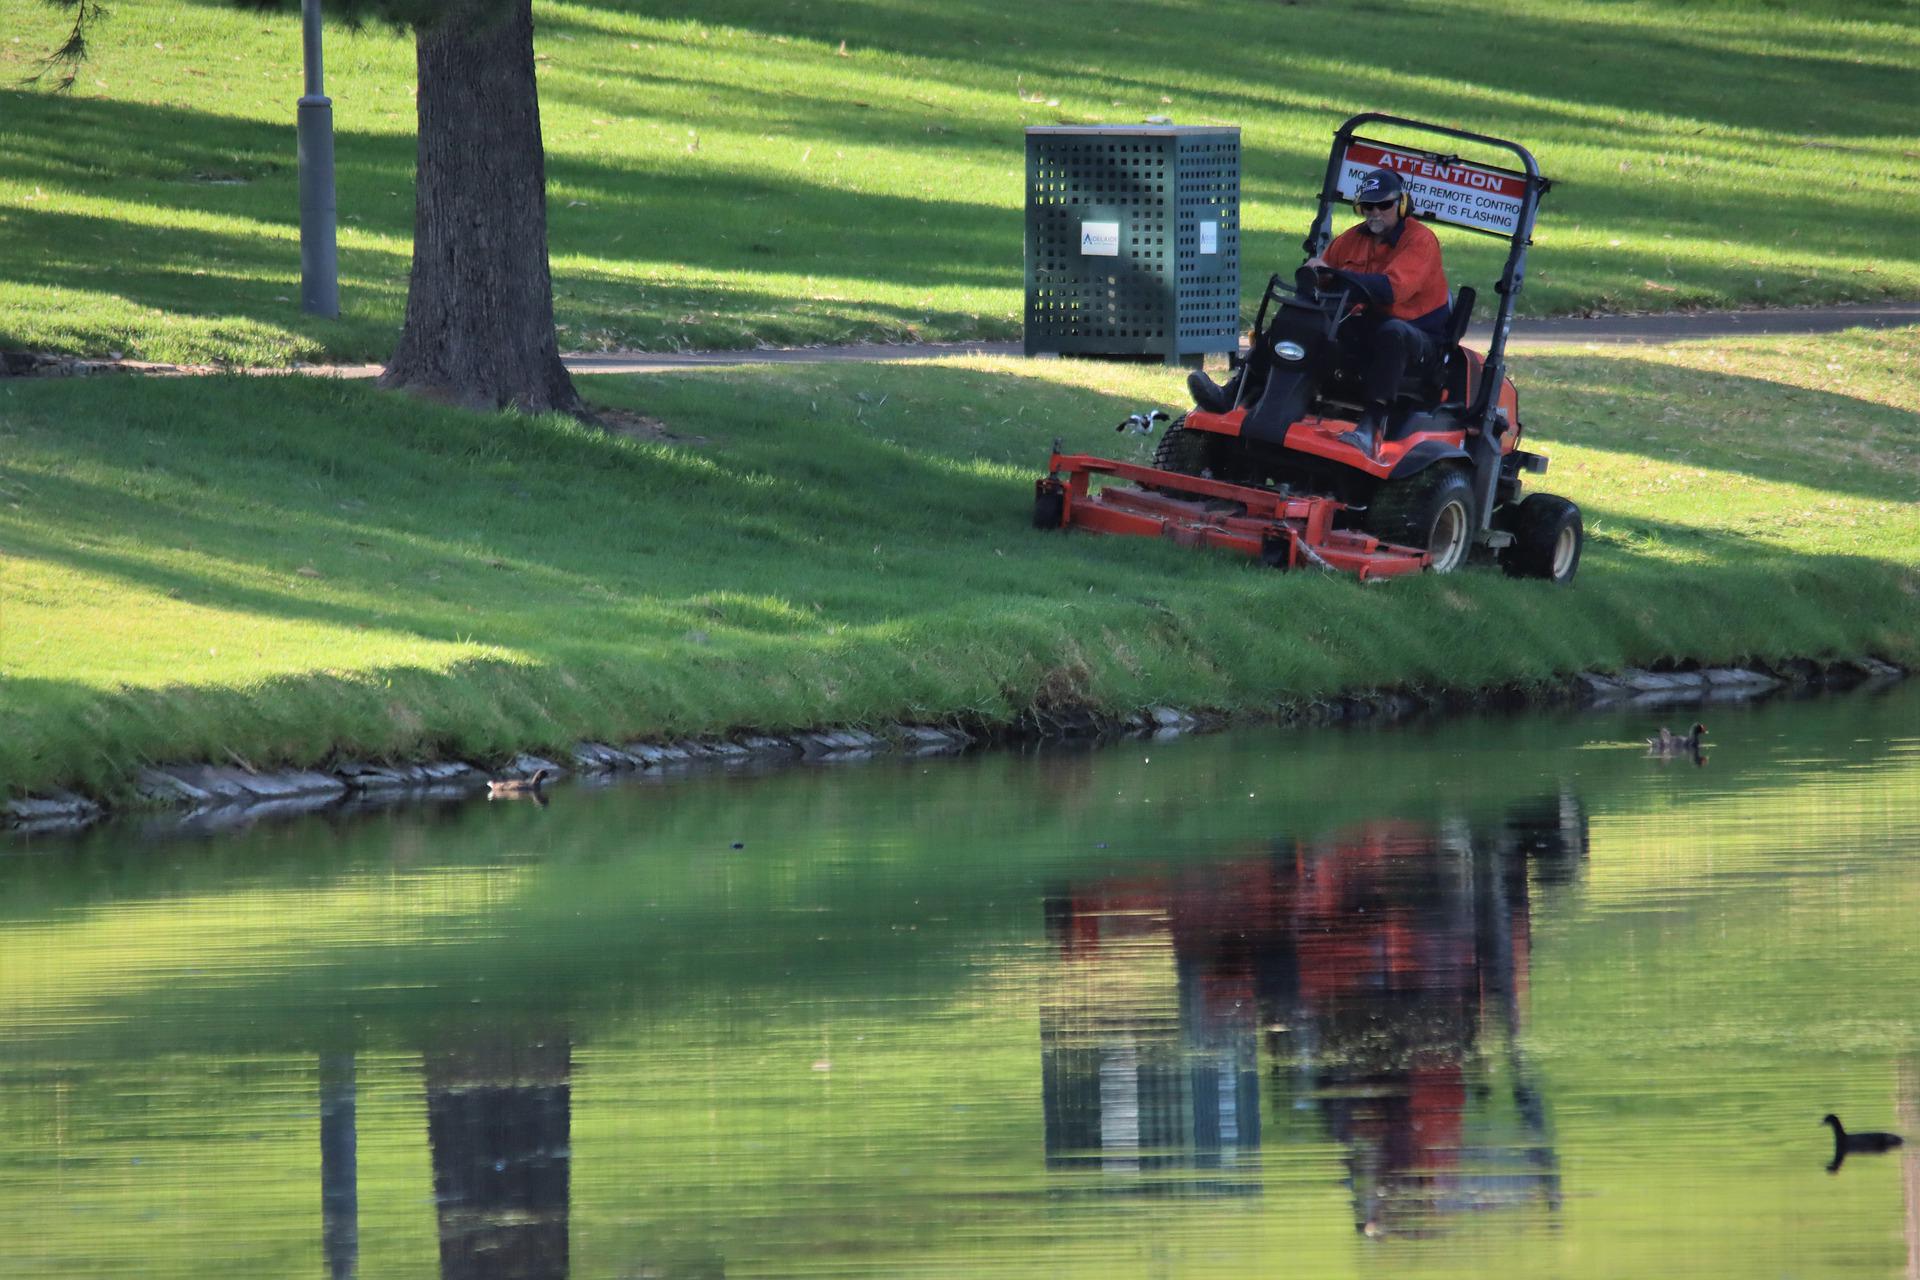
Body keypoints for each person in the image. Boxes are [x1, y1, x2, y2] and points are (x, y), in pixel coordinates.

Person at [1304, 167, 1451, 458]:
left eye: (1384, 205)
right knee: (1305, 318)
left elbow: (1391, 291)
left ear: (1402, 205)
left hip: (1418, 339)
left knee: (1392, 333)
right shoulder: (1351, 239)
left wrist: (1336, 275)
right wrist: (1314, 272)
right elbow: (1322, 272)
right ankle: (1242, 392)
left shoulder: (1420, 241)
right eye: (1368, 206)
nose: (1375, 213)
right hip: (1369, 326)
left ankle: (1370, 428)